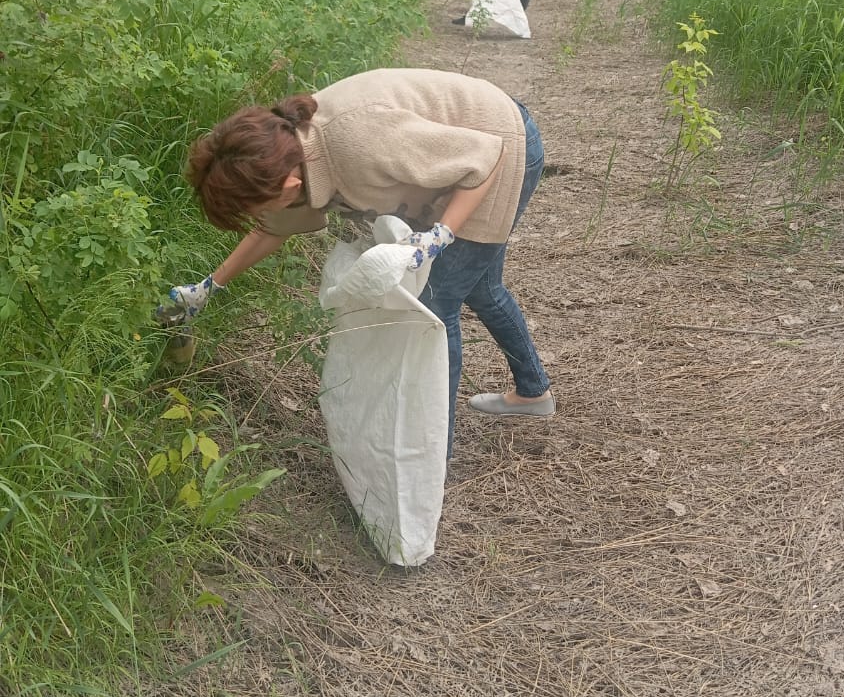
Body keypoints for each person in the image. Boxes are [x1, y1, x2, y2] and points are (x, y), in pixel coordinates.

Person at [157, 67, 555, 458]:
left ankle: (432, 456)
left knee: (435, 303)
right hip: (466, 153)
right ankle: (533, 392)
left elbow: (482, 159)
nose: (257, 216)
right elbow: (271, 229)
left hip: (500, 144)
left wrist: (442, 234)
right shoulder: (287, 158)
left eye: (256, 208)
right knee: (482, 287)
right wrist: (209, 286)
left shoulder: (358, 142)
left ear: (289, 186)